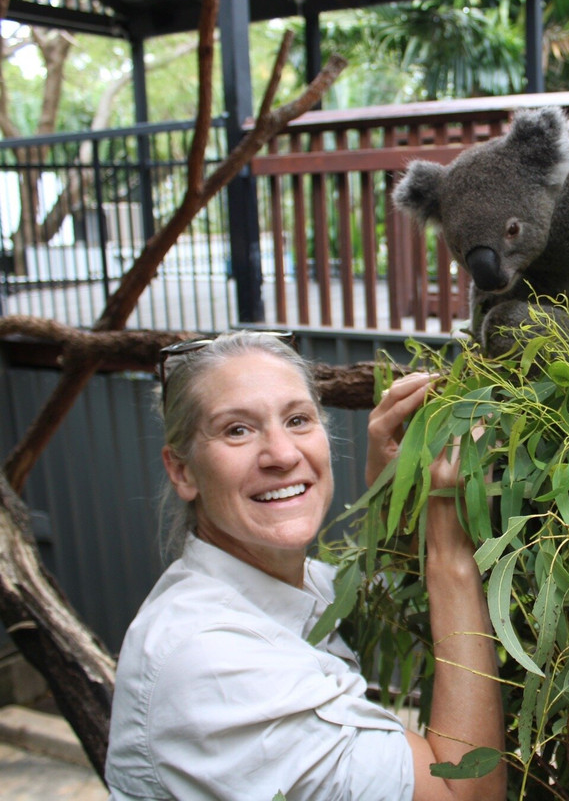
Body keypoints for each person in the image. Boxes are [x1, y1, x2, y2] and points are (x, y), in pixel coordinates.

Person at [105, 331, 505, 801]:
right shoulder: (211, 662)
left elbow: (400, 607)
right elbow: (464, 793)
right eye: (237, 429)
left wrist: (394, 511)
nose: (283, 454)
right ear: (183, 471)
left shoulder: (297, 586)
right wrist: (449, 546)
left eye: (297, 420)